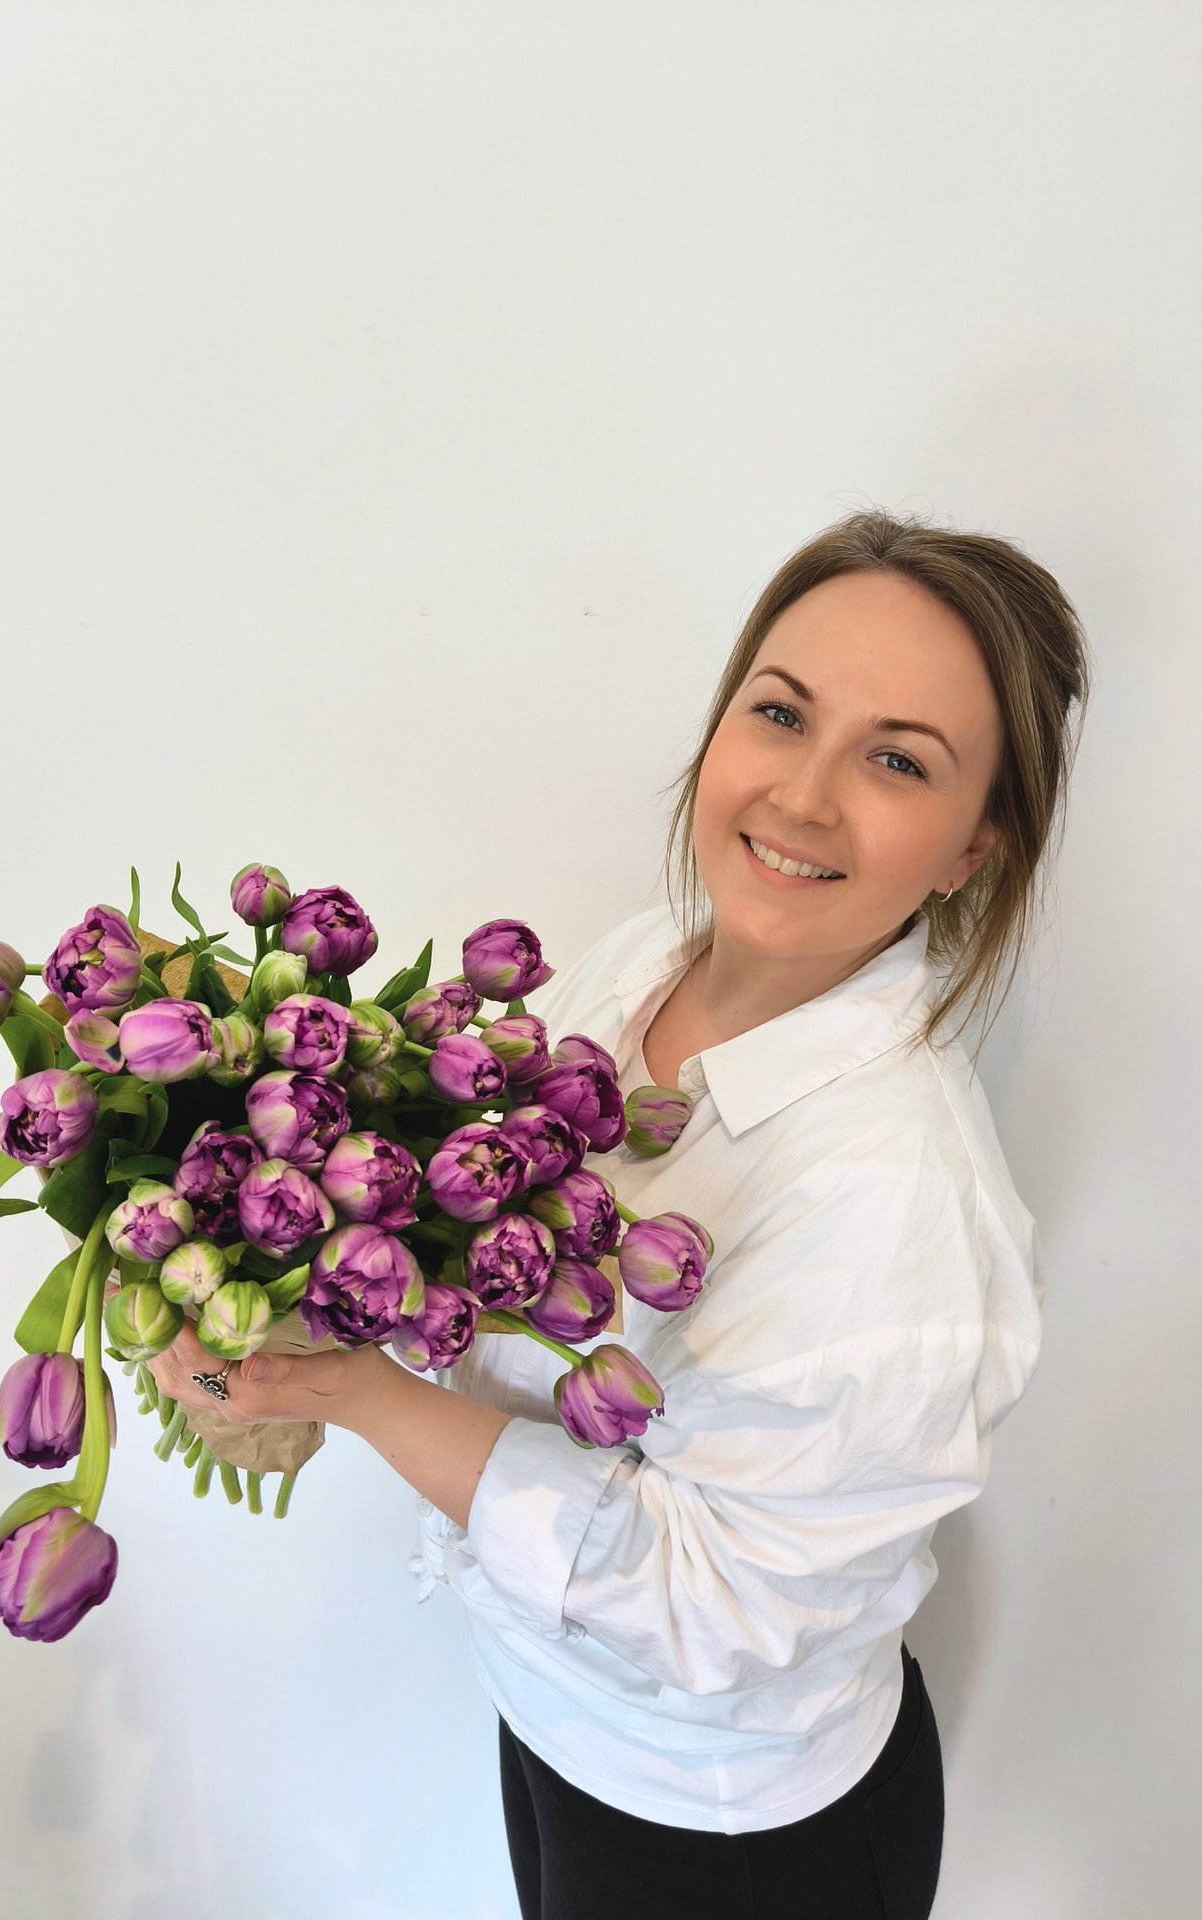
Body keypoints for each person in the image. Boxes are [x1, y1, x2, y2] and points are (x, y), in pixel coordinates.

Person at [147, 508, 1091, 1919]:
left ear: (972, 850)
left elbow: (723, 1605)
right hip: (557, 1716)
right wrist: (278, 1263)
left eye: (898, 759)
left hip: (727, 1837)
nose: (806, 797)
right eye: (782, 713)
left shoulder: (898, 1202)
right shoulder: (647, 963)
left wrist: (343, 1389)